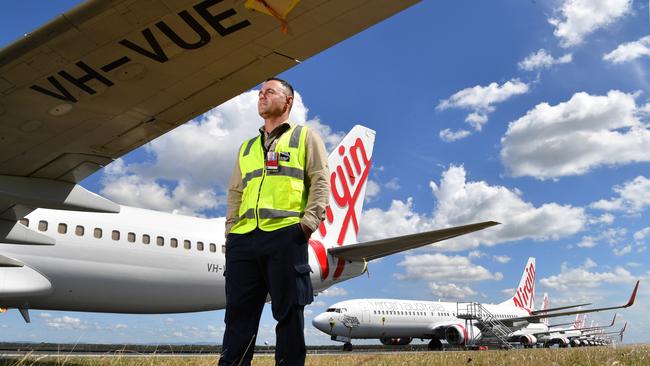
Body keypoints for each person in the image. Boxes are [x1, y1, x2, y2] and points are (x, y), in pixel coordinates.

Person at [218, 77, 330, 366]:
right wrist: (231, 231)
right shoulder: (246, 148)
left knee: (289, 314)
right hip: (244, 239)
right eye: (259, 93)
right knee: (238, 317)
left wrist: (306, 225)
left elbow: (320, 180)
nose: (261, 96)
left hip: (285, 235)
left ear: (288, 101)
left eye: (269, 92)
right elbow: (235, 192)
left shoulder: (305, 137)